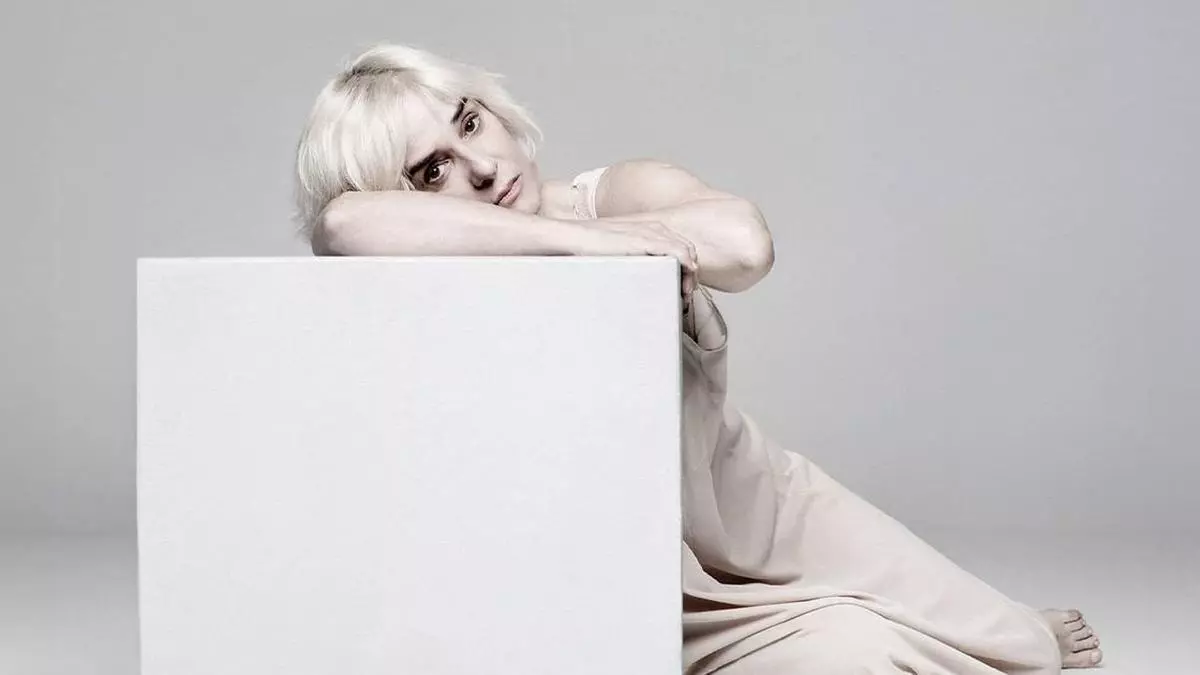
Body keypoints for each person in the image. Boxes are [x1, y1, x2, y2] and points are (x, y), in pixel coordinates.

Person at [292, 43, 1104, 674]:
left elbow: (744, 248)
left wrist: (594, 227)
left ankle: (1003, 626)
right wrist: (575, 245)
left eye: (469, 123)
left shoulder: (612, 193)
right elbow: (341, 225)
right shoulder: (434, 258)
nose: (480, 168)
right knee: (863, 655)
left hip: (749, 494)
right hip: (637, 561)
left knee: (1017, 645)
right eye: (431, 170)